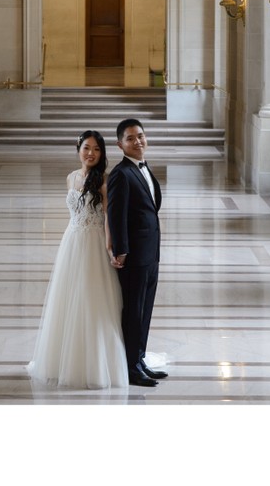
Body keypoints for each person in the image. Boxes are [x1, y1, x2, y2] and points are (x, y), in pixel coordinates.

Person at [27, 130, 128, 389]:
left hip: (94, 243)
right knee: (68, 298)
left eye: (96, 149)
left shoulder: (105, 181)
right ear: (78, 149)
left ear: (103, 153)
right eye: (86, 148)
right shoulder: (71, 178)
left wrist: (109, 247)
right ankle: (62, 359)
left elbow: (108, 218)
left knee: (92, 299)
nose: (91, 153)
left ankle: (96, 363)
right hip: (71, 241)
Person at [107, 118, 168, 387]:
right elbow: (115, 215)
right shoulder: (121, 173)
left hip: (150, 253)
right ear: (120, 144)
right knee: (133, 311)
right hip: (133, 256)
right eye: (130, 138)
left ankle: (140, 359)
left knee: (145, 310)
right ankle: (131, 368)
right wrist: (121, 250)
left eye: (140, 136)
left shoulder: (143, 168)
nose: (138, 141)